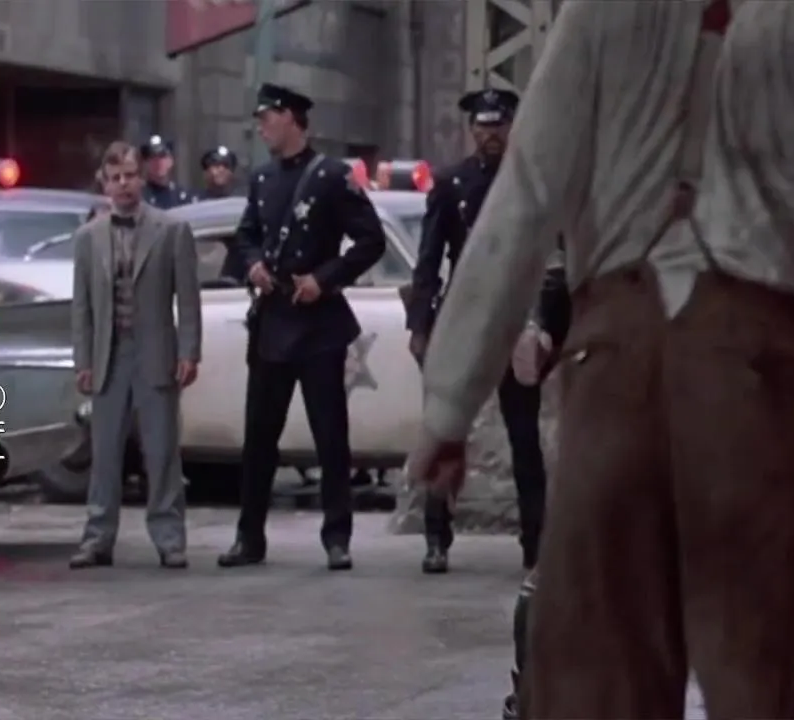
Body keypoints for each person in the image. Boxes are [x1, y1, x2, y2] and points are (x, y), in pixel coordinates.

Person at [406, 2, 794, 717]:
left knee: (593, 688)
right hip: (755, 383)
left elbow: (522, 206)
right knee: (766, 685)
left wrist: (448, 409)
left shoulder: (596, 20)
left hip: (612, 372)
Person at [217, 83, 385, 571]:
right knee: (259, 438)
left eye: (266, 118)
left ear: (290, 117)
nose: (260, 128)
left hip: (319, 326)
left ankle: (337, 537)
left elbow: (370, 241)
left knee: (330, 436)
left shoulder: (332, 177)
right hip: (273, 321)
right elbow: (245, 235)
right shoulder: (263, 178)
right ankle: (249, 537)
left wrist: (324, 280)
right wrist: (253, 264)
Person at [407, 88, 547, 574]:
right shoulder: (452, 183)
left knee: (524, 437)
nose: (490, 135)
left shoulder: (530, 182)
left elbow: (554, 258)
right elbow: (428, 262)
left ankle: (535, 542)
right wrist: (420, 325)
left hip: (514, 317)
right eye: (483, 126)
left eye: (498, 125)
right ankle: (436, 537)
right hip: (464, 317)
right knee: (445, 427)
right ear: (471, 130)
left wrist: (548, 325)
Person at [69, 140, 202, 570]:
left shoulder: (171, 230)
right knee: (104, 453)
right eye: (115, 178)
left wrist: (189, 351)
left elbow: (188, 297)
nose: (123, 184)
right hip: (109, 354)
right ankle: (97, 537)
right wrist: (83, 360)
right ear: (104, 184)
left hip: (156, 351)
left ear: (142, 178)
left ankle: (169, 538)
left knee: (161, 452)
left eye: (130, 175)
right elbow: (81, 305)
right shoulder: (88, 238)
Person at [140, 135, 194, 210]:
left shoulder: (183, 197)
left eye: (162, 156)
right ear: (145, 164)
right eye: (152, 157)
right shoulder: (139, 196)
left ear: (171, 161)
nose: (158, 162)